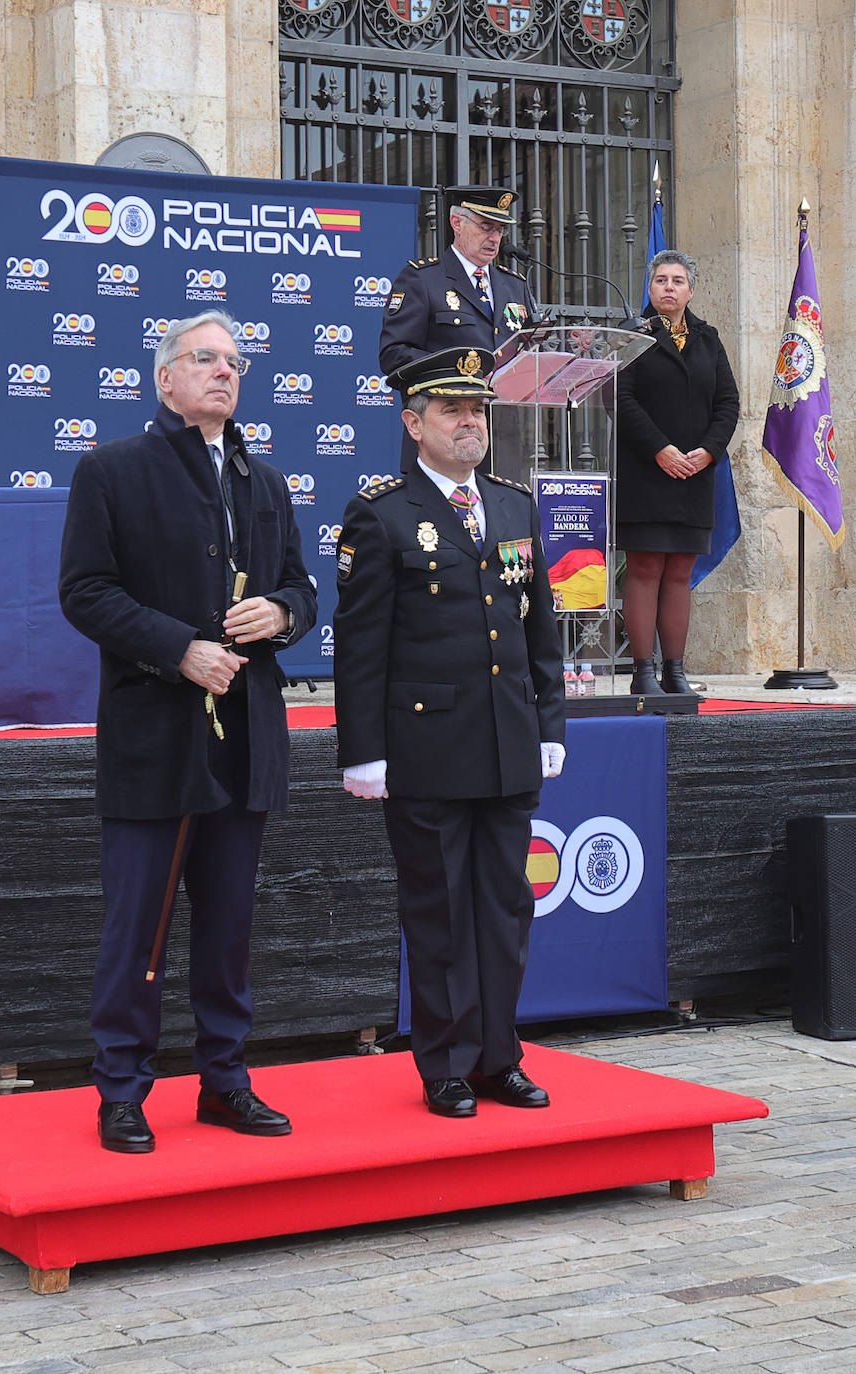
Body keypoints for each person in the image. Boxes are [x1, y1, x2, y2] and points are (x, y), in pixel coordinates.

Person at [58, 309, 317, 1153]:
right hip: (155, 736)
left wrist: (279, 610)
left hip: (244, 737)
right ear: (164, 378)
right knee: (139, 922)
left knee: (231, 921)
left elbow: (305, 593)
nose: (224, 372)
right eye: (206, 359)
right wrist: (181, 650)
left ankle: (225, 1079)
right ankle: (122, 1089)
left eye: (235, 361)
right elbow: (86, 593)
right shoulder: (112, 471)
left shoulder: (265, 482)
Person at [333, 346, 566, 1120]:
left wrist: (549, 720)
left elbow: (540, 627)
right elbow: (362, 643)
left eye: (479, 411)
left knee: (505, 911)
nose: (471, 423)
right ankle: (445, 1065)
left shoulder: (511, 504)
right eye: (451, 411)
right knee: (438, 914)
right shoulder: (382, 511)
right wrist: (363, 750)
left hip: (507, 744)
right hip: (427, 750)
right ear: (413, 423)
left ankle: (500, 1057)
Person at [616, 249, 740, 695]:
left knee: (679, 573)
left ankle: (675, 671)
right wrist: (660, 450)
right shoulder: (633, 335)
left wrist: (707, 452)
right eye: (661, 280)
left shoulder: (709, 338)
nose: (669, 287)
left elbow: (728, 403)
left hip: (695, 474)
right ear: (649, 289)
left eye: (677, 281)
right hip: (647, 472)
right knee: (646, 567)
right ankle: (643, 672)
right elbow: (621, 399)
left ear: (691, 289)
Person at [379, 186, 537, 478]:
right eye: (486, 227)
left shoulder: (514, 285)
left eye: (500, 230)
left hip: (502, 439)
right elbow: (394, 354)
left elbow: (529, 351)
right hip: (443, 434)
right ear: (457, 223)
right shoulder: (422, 279)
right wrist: (463, 372)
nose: (494, 238)